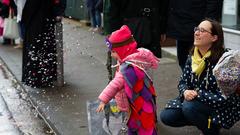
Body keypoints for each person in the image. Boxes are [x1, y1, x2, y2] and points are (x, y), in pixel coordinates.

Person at [160, 19, 240, 135]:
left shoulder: (225, 60)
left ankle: (211, 130)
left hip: (221, 107)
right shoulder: (193, 56)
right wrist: (186, 91)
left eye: (202, 31)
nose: (196, 33)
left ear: (214, 38)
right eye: (197, 29)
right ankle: (205, 122)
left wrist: (197, 94)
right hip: (198, 103)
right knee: (167, 116)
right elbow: (183, 81)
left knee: (189, 107)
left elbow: (224, 96)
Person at [96, 25, 159, 135]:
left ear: (123, 50)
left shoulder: (127, 68)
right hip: (139, 104)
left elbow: (114, 85)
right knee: (144, 125)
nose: (112, 55)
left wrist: (103, 100)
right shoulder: (135, 59)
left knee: (136, 127)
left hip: (133, 106)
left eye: (114, 52)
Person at [165, 0, 223, 71]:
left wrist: (207, 24)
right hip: (181, 27)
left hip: (201, 27)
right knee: (185, 62)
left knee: (205, 62)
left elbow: (213, 5)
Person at [21, 0, 66, 88]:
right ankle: (46, 77)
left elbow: (29, 9)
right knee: (46, 50)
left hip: (35, 24)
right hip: (47, 22)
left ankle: (36, 78)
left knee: (36, 50)